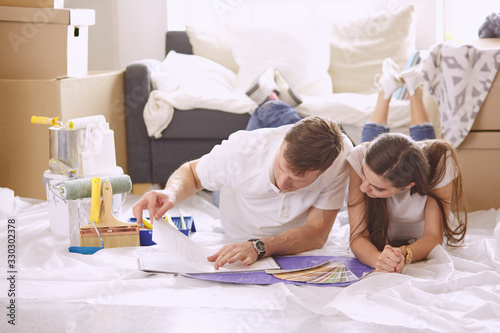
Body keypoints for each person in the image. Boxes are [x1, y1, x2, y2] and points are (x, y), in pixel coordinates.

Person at [133, 69, 353, 270]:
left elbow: (317, 234)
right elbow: (192, 173)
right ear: (282, 142)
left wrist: (259, 246)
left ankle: (274, 100)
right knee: (266, 115)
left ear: (325, 170)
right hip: (239, 192)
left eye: (298, 180)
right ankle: (270, 100)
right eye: (281, 168)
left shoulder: (341, 158)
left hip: (267, 170)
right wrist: (170, 192)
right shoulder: (242, 152)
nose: (284, 184)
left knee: (302, 131)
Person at [347, 58, 468, 273]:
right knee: (370, 142)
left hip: (424, 161)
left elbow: (433, 237)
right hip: (374, 150)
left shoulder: (440, 163)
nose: (363, 188)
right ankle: (385, 92)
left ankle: (414, 92)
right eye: (364, 176)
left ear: (406, 186)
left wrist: (402, 254)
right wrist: (379, 260)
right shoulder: (360, 158)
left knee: (428, 148)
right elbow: (358, 236)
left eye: (378, 188)